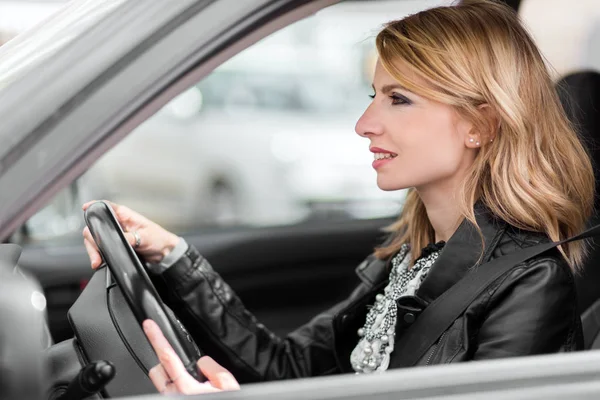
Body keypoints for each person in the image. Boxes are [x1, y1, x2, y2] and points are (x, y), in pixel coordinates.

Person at [83, 0, 595, 395]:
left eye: (399, 99)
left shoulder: (530, 282)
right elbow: (289, 369)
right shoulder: (409, 257)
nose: (365, 124)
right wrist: (175, 258)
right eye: (373, 97)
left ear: (479, 124)